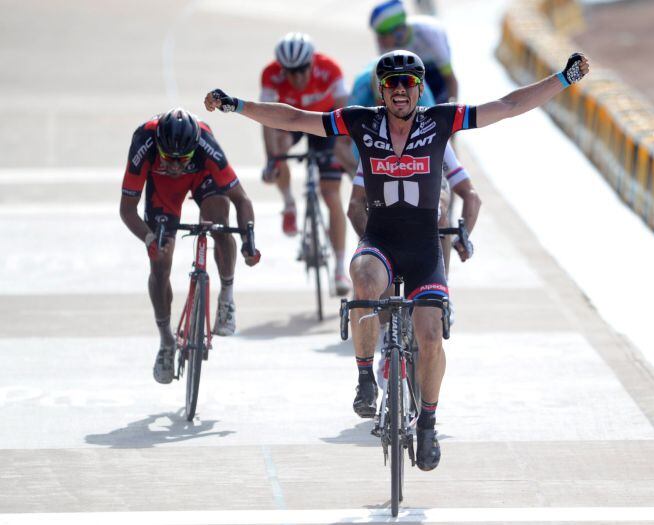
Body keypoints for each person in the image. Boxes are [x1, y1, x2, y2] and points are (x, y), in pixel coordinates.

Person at [204, 49, 589, 471]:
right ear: (382, 90)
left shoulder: (440, 120)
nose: (400, 90)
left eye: (408, 83)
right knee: (363, 277)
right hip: (381, 240)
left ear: (419, 88)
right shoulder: (361, 121)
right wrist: (235, 105)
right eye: (392, 84)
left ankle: (427, 423)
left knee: (429, 338)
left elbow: (509, 105)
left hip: (425, 249)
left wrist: (564, 78)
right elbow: (295, 118)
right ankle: (366, 376)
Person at [119, 108, 260, 384]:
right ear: (157, 146)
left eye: (181, 159)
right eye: (167, 159)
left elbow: (242, 199)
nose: (174, 165)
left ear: (193, 150)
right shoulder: (143, 143)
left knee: (219, 220)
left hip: (202, 178)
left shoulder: (207, 145)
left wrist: (248, 242)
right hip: (163, 190)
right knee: (160, 263)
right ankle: (166, 341)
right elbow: (127, 210)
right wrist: (150, 240)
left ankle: (227, 297)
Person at [344, 61, 480, 275]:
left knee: (439, 206)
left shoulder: (430, 127)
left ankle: (442, 286)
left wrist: (463, 236)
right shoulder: (373, 133)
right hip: (382, 196)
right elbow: (354, 206)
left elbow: (470, 195)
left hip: (428, 202)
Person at [260, 32, 353, 295]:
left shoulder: (330, 69)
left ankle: (338, 268)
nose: (297, 77)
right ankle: (289, 203)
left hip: (325, 125)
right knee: (278, 143)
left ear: (312, 63)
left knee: (331, 194)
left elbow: (343, 116)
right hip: (292, 123)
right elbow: (267, 120)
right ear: (281, 68)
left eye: (302, 70)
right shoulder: (270, 74)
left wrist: (342, 155)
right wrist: (271, 160)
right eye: (290, 71)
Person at [369, 0, 458, 104]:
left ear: (397, 30)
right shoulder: (386, 44)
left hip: (434, 69)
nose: (379, 41)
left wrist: (453, 106)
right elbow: (382, 87)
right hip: (413, 70)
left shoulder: (430, 34)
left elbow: (449, 78)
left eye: (382, 35)